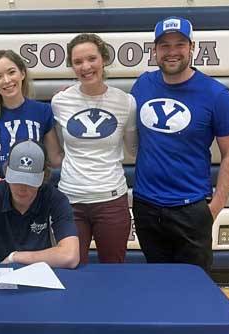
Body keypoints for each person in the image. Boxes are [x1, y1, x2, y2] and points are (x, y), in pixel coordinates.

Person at [130, 16, 229, 272]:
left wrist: (213, 209)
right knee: (157, 284)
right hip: (146, 207)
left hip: (191, 209)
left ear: (192, 47)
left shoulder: (216, 95)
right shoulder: (142, 85)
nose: (171, 52)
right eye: (164, 45)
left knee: (195, 288)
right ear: (154, 50)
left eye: (179, 44)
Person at [51, 33, 138, 264]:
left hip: (111, 200)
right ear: (72, 66)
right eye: (78, 62)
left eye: (92, 58)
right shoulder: (59, 102)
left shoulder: (126, 102)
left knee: (113, 272)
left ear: (104, 59)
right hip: (70, 201)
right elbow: (58, 149)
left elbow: (132, 150)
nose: (86, 66)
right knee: (71, 269)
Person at [0, 140, 79, 277]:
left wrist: (16, 257)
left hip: (44, 275)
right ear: (7, 172)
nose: (22, 188)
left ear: (44, 177)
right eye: (16, 179)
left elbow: (70, 256)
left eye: (30, 181)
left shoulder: (56, 200)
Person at [0, 49, 63, 177]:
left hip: (34, 188)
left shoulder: (43, 111)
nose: (6, 80)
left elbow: (55, 159)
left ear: (22, 73)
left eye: (11, 72)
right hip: (1, 190)